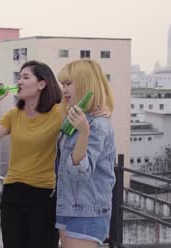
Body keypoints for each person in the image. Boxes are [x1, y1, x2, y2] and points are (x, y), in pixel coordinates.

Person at [0, 60, 62, 248]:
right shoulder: (14, 114)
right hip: (13, 193)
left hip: (44, 194)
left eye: (26, 77)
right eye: (19, 77)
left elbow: (80, 109)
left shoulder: (58, 113)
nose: (20, 82)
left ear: (42, 84)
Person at [55, 59, 116, 248]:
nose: (64, 89)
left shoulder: (97, 125)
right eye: (62, 84)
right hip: (68, 206)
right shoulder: (75, 118)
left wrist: (84, 132)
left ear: (85, 84)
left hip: (88, 211)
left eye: (68, 84)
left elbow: (80, 172)